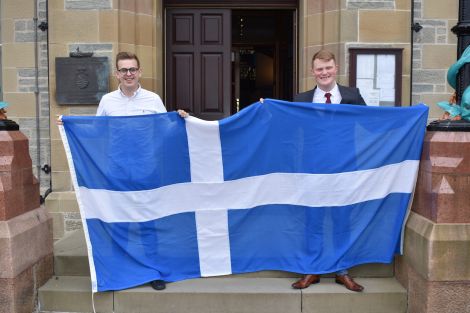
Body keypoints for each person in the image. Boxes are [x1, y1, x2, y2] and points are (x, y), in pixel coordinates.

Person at [58, 51, 187, 290]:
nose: (129, 74)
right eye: (124, 70)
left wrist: (181, 120)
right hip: (117, 171)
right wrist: (70, 126)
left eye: (133, 69)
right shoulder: (107, 101)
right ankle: (121, 273)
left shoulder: (153, 99)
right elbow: (97, 133)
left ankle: (153, 271)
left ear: (140, 72)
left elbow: (166, 132)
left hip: (147, 170)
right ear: (116, 74)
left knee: (149, 222)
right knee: (120, 224)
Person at [291, 49, 366, 292]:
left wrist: (410, 115)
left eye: (328, 68)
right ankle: (312, 270)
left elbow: (373, 121)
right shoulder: (301, 100)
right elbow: (285, 129)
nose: (324, 73)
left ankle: (342, 270)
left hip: (344, 171)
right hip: (312, 171)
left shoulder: (352, 96)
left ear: (336, 69)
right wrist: (265, 108)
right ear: (313, 72)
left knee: (341, 220)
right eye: (319, 69)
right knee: (313, 220)